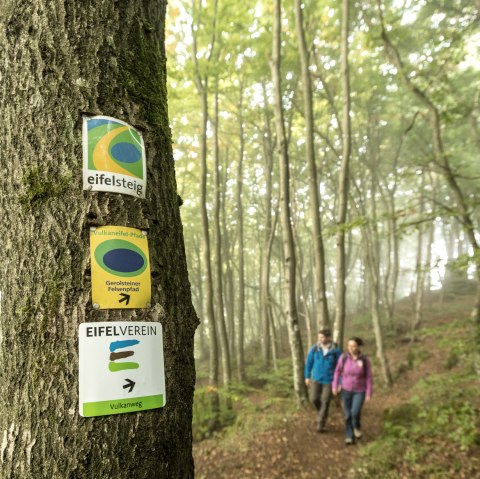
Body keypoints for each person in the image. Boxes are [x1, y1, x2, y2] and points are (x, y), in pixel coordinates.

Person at [332, 336, 373, 445]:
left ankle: (357, 427)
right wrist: (335, 385)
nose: (351, 348)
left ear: (358, 347)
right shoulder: (343, 357)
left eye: (353, 346)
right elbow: (337, 372)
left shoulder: (364, 360)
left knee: (354, 412)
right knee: (347, 415)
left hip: (360, 391)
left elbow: (368, 377)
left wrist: (369, 392)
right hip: (345, 390)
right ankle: (349, 436)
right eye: (349, 346)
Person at [304, 329, 342, 432]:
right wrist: (307, 376)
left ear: (328, 338)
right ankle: (322, 413)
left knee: (325, 401)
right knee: (314, 399)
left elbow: (340, 368)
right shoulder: (315, 348)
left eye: (322, 337)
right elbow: (309, 363)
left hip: (329, 380)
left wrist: (339, 382)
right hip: (316, 379)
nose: (320, 339)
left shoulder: (336, 350)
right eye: (319, 337)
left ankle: (320, 423)